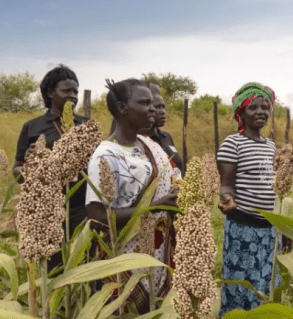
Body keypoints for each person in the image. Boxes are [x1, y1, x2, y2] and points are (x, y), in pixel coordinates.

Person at [86, 78, 179, 314]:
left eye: (153, 103)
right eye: (144, 103)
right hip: (125, 258)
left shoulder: (149, 144)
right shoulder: (106, 155)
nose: (152, 108)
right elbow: (97, 216)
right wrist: (155, 206)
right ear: (122, 109)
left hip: (157, 252)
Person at [216, 82, 286, 317]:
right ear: (241, 113)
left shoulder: (271, 146)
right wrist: (227, 199)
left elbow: (276, 189)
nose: (260, 112)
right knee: (240, 286)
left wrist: (284, 229)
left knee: (266, 285)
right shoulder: (232, 143)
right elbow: (226, 184)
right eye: (252, 107)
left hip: (269, 230)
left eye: (265, 107)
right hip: (243, 227)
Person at [13, 64, 87, 272]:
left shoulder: (85, 126)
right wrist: (31, 169)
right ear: (50, 93)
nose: (72, 96)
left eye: (75, 91)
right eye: (66, 91)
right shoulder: (33, 127)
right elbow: (17, 171)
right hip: (47, 210)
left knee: (85, 267)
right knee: (54, 269)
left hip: (82, 207)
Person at [109, 82, 184, 175]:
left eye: (163, 107)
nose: (162, 112)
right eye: (158, 106)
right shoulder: (129, 142)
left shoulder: (166, 137)